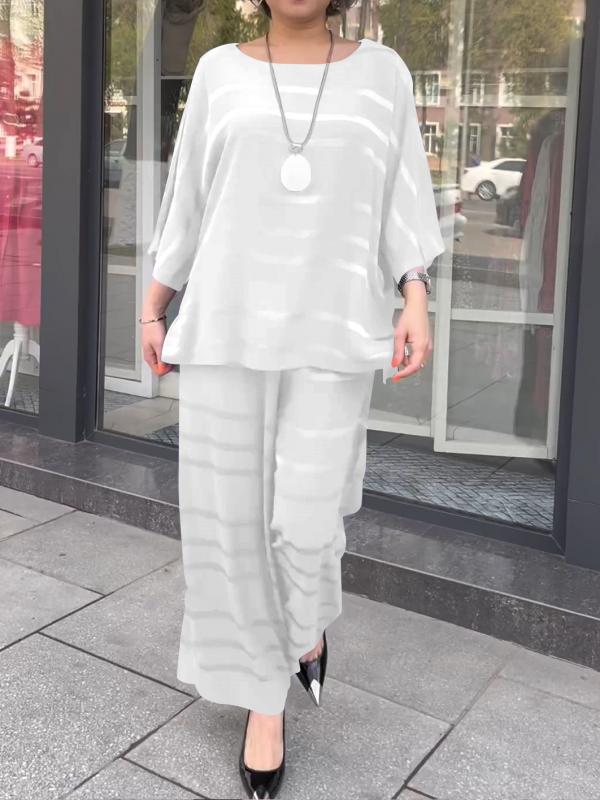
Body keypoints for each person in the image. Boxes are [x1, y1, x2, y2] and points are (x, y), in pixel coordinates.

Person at [140, 1, 445, 796]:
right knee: (232, 524)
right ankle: (264, 704)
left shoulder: (383, 74)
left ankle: (305, 630)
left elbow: (401, 193)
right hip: (227, 326)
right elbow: (190, 198)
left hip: (332, 330)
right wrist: (155, 305)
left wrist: (415, 293)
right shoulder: (219, 72)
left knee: (306, 521)